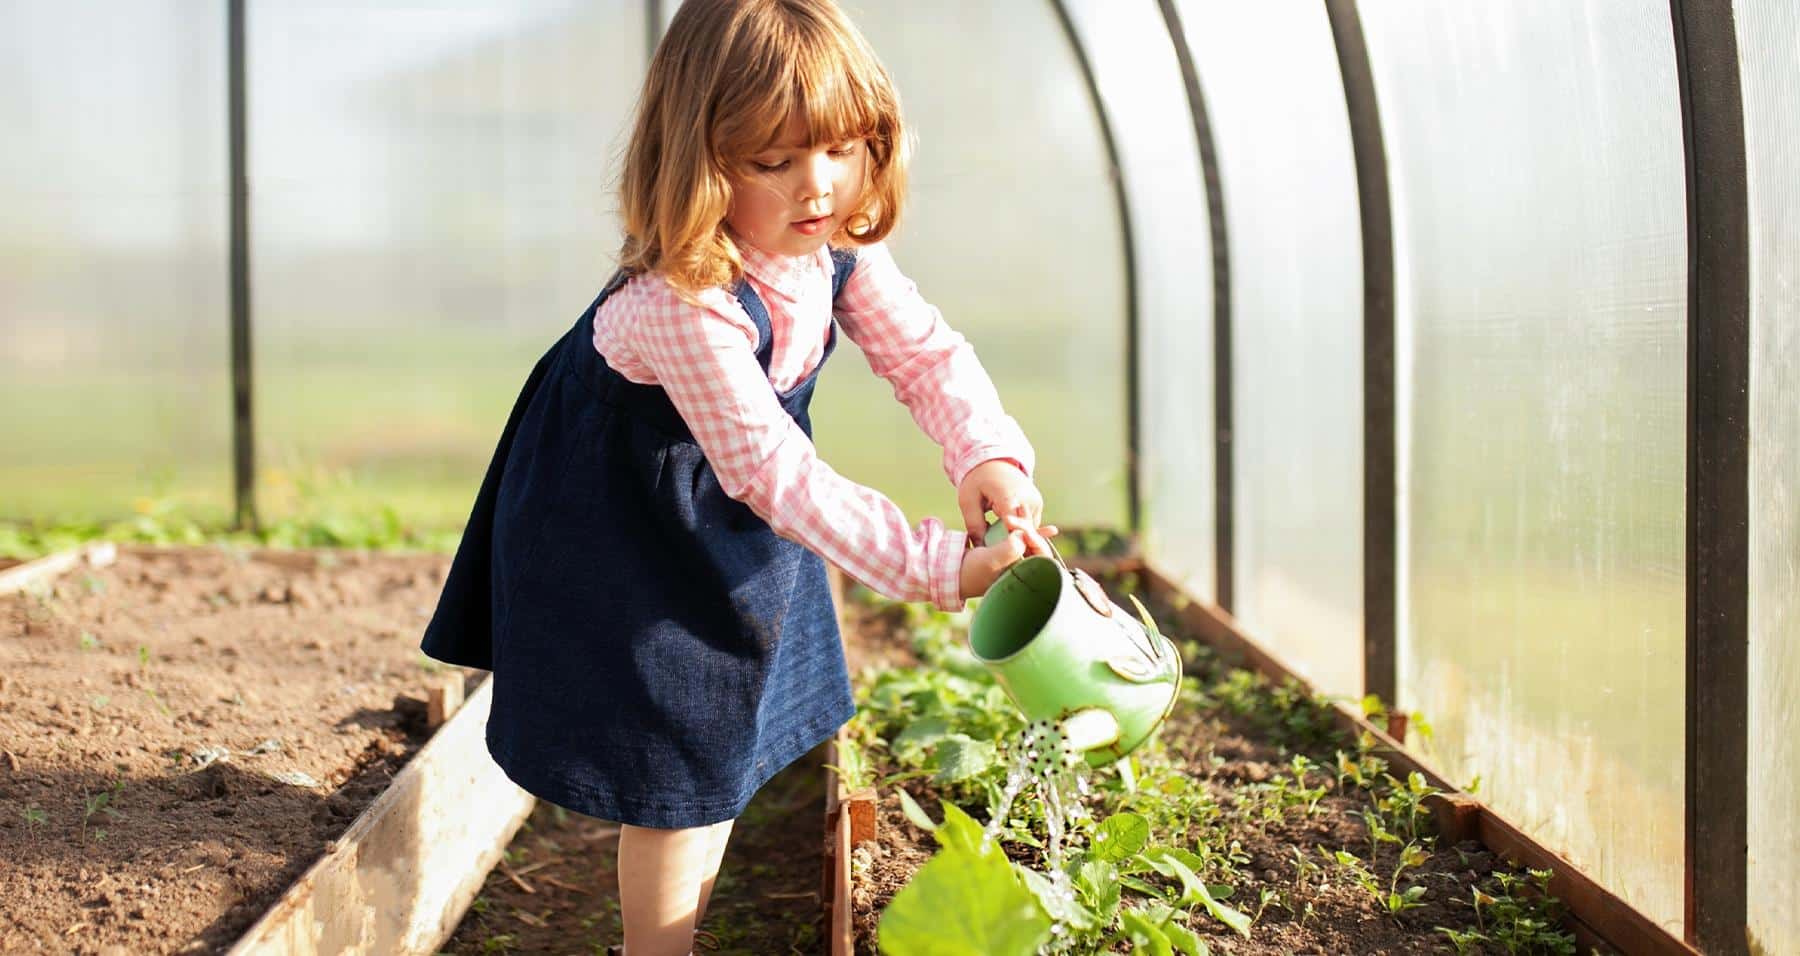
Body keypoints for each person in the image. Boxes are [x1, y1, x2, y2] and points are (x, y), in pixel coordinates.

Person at [419, 0, 1054, 952]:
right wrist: (933, 566)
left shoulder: (834, 249)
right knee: (680, 757)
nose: (820, 187)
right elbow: (775, 475)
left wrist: (986, 454)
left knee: (726, 726)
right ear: (698, 159)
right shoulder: (685, 302)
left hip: (725, 499)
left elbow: (924, 356)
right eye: (775, 161)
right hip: (626, 522)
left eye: (843, 150)